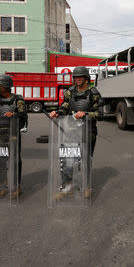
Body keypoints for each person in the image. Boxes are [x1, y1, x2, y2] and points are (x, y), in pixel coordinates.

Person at [49, 66, 102, 198]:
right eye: (76, 77)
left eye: (80, 77)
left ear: (86, 78)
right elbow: (64, 108)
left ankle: (86, 187)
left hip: (88, 132)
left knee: (85, 160)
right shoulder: (70, 92)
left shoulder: (94, 93)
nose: (78, 79)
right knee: (68, 160)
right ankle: (66, 187)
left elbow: (100, 114)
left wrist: (86, 114)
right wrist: (57, 112)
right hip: (71, 131)